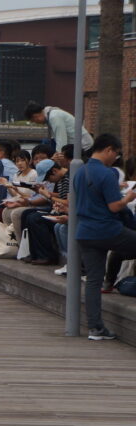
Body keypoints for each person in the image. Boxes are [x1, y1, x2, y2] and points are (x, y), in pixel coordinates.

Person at [75, 133, 136, 341]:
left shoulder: (80, 171)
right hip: (107, 229)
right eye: (116, 154)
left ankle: (96, 328)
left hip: (85, 231)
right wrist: (128, 197)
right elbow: (114, 206)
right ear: (109, 149)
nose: (116, 159)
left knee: (93, 281)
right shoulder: (107, 173)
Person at [24, 102, 94, 156]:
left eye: (34, 121)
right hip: (78, 147)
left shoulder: (54, 117)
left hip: (84, 147)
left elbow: (61, 140)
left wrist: (58, 157)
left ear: (35, 116)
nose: (36, 123)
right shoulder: (51, 114)